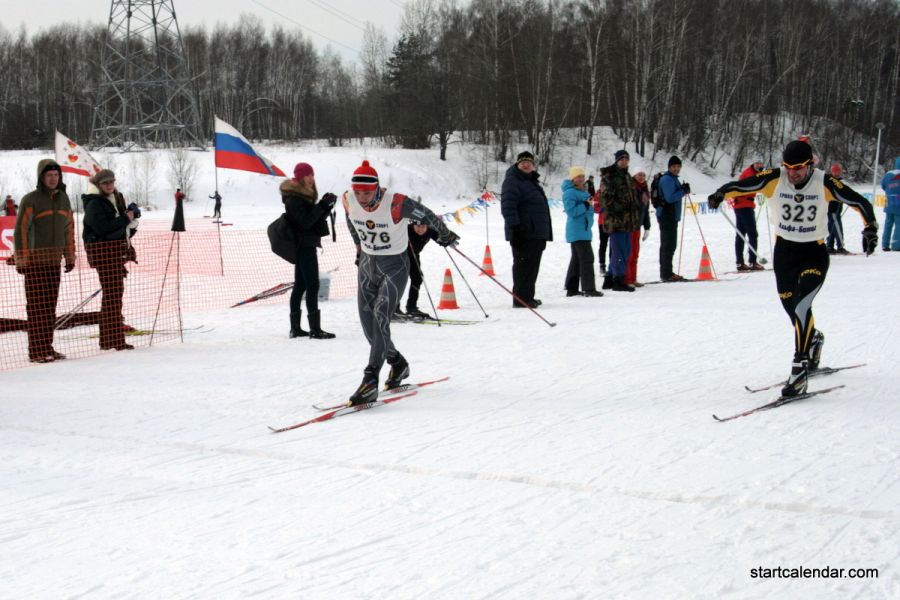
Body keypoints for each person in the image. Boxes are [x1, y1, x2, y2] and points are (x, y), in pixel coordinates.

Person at [708, 140, 878, 397]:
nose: (792, 172)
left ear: (810, 164)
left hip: (814, 253)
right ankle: (814, 339)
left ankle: (799, 370)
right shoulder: (775, 179)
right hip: (785, 254)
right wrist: (720, 193)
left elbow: (858, 202)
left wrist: (870, 228)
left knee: (801, 306)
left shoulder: (824, 182)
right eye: (788, 167)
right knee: (793, 310)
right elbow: (741, 186)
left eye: (798, 167)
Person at [343, 160, 459, 405]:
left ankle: (370, 379)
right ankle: (398, 363)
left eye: (367, 192)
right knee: (369, 327)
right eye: (358, 192)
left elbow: (427, 214)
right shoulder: (349, 199)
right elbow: (350, 218)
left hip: (394, 267)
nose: (362, 198)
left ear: (376, 188)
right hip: (367, 266)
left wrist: (445, 234)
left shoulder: (396, 203)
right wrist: (357, 246)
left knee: (381, 316)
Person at [13, 159, 76, 363]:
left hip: (53, 262)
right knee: (36, 307)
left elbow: (69, 230)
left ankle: (47, 346)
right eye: (49, 175)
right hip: (34, 263)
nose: (53, 179)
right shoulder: (30, 200)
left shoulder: (64, 200)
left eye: (56, 175)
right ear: (41, 177)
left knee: (50, 307)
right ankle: (36, 350)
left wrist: (69, 256)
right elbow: (20, 230)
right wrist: (22, 259)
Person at [82, 169, 139, 351]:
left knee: (113, 297)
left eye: (111, 182)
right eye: (105, 183)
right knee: (113, 297)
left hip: (114, 253)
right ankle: (113, 339)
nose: (109, 185)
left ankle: (109, 339)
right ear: (98, 186)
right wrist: (125, 218)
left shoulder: (114, 199)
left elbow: (120, 230)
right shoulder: (94, 203)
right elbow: (102, 228)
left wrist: (132, 222)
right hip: (103, 254)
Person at [281, 162, 337, 339]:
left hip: (306, 243)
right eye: (308, 175)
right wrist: (321, 206)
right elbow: (305, 222)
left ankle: (296, 328)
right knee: (312, 284)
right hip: (303, 246)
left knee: (300, 285)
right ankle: (315, 329)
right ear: (300, 177)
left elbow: (312, 220)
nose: (312, 178)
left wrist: (326, 207)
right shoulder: (294, 198)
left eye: (312, 175)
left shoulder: (303, 196)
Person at [501, 151, 552, 308]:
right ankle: (521, 298)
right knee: (523, 265)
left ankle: (528, 296)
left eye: (529, 162)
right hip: (523, 232)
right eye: (522, 162)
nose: (526, 164)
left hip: (535, 232)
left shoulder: (531, 182)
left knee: (532, 266)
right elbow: (508, 206)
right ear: (517, 164)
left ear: (533, 165)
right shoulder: (513, 181)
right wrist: (515, 227)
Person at [600, 150, 639, 292]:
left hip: (628, 221)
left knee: (626, 250)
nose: (624, 161)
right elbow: (605, 200)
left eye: (626, 159)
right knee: (620, 251)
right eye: (621, 159)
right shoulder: (609, 176)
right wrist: (622, 206)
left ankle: (610, 278)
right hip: (616, 221)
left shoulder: (627, 176)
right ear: (616, 160)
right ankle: (619, 279)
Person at [562, 166, 601, 297]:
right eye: (578, 177)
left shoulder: (584, 192)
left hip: (584, 230)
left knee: (577, 260)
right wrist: (584, 205)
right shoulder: (569, 193)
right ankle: (589, 288)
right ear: (572, 179)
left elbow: (591, 208)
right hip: (577, 231)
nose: (581, 179)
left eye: (582, 177)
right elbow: (571, 211)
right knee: (587, 258)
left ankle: (571, 288)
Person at [656, 155, 690, 282]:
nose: (676, 169)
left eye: (678, 166)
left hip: (670, 215)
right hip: (666, 215)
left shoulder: (672, 179)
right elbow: (670, 198)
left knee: (670, 244)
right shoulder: (667, 179)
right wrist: (683, 191)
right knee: (668, 245)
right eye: (674, 166)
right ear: (669, 167)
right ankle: (666, 273)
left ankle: (667, 272)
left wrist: (682, 189)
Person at [398, 219, 439, 319]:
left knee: (417, 279)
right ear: (413, 226)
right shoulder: (405, 230)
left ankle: (411, 307)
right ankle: (394, 308)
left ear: (427, 226)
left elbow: (440, 237)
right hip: (399, 257)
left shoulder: (431, 231)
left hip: (414, 256)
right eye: (417, 226)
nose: (420, 229)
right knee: (399, 281)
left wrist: (447, 240)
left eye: (423, 226)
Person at [733, 160, 766, 269]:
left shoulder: (752, 172)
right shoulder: (750, 174)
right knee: (752, 234)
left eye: (761, 164)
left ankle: (740, 262)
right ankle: (752, 261)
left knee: (741, 235)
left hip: (741, 205)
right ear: (753, 164)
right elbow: (755, 185)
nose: (760, 166)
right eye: (757, 164)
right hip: (745, 205)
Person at [625, 171, 652, 287]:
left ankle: (633, 278)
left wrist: (647, 227)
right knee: (629, 253)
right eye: (639, 175)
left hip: (638, 226)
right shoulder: (630, 188)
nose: (641, 177)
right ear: (634, 176)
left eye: (643, 175)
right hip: (629, 226)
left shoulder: (644, 190)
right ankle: (627, 279)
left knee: (635, 253)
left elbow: (646, 210)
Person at [825, 163, 849, 255]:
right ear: (832, 172)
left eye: (838, 171)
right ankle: (840, 246)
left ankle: (830, 246)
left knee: (833, 227)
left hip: (837, 208)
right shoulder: (829, 180)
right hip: (831, 209)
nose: (836, 173)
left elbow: (847, 192)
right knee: (836, 227)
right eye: (834, 171)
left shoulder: (842, 181)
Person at [880, 157, 900, 251]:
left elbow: (883, 186)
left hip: (889, 202)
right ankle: (896, 245)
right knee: (899, 225)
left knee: (888, 224)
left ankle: (885, 244)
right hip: (898, 205)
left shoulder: (888, 174)